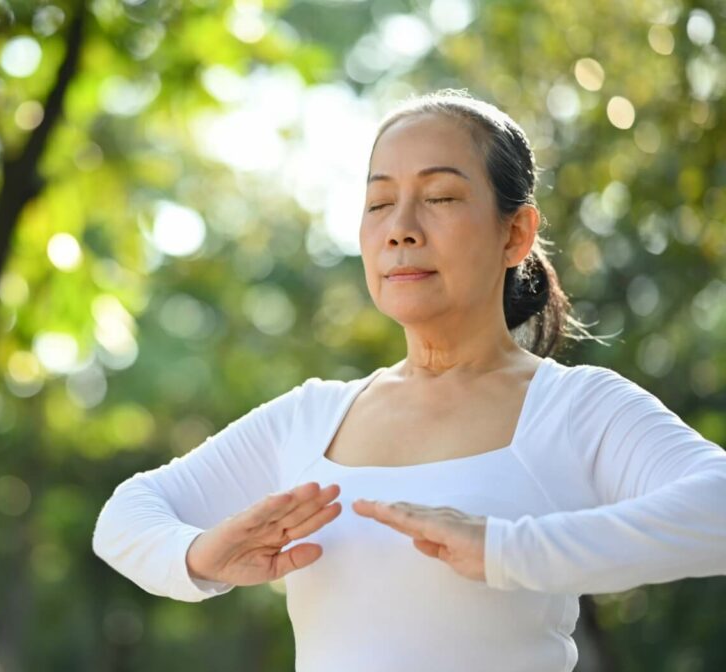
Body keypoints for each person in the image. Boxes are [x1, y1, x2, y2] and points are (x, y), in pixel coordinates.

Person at [91, 89, 726, 672]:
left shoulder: (574, 407)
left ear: (516, 233)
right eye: (378, 203)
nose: (400, 227)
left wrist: (507, 549)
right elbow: (126, 516)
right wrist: (202, 555)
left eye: (441, 197)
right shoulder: (311, 417)